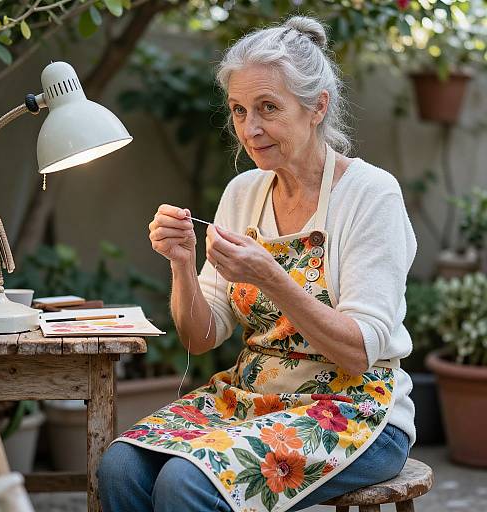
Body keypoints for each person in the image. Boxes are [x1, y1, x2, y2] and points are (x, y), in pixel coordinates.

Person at [98, 15, 417, 512]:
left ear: (317, 107)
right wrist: (182, 265)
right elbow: (201, 336)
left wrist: (271, 275)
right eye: (239, 110)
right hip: (253, 402)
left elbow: (358, 353)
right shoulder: (242, 192)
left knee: (185, 482)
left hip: (355, 411)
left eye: (268, 108)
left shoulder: (371, 195)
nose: (250, 129)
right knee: (121, 464)